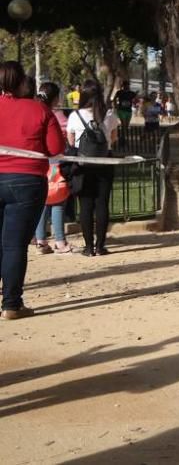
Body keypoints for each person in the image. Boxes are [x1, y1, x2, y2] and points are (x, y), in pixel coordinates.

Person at [0, 62, 65, 319]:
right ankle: (12, 304)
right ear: (22, 82)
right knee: (15, 245)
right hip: (26, 181)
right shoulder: (40, 110)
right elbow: (55, 148)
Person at [67, 80, 119, 257]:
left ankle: (88, 247)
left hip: (83, 164)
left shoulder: (75, 116)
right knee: (102, 204)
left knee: (86, 205)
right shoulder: (109, 114)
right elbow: (114, 137)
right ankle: (100, 245)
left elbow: (71, 141)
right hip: (105, 162)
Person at [34, 83, 72, 254]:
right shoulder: (55, 115)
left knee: (42, 201)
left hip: (37, 163)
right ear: (56, 98)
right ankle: (59, 241)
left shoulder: (33, 111)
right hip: (54, 164)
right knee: (57, 200)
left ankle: (41, 240)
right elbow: (59, 142)